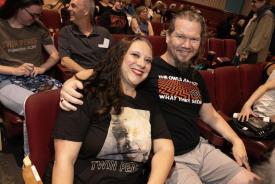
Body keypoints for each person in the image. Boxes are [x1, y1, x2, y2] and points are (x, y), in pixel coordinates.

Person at [59, 9, 259, 183]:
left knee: (253, 181)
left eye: (194, 39)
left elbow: (211, 116)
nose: (187, 45)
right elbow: (105, 70)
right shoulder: (146, 67)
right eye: (181, 36)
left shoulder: (196, 76)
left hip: (201, 148)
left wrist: (236, 140)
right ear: (168, 36)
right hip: (173, 160)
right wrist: (72, 81)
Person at [52, 37, 174, 183]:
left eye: (148, 60)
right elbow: (64, 160)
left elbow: (165, 149)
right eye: (135, 55)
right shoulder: (86, 93)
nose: (142, 64)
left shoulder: (148, 101)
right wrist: (76, 77)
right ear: (119, 56)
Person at [0, 0, 61, 154]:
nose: (36, 19)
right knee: (34, 106)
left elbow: (55, 55)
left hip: (37, 79)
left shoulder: (38, 26)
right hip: (6, 80)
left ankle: (59, 154)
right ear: (18, 8)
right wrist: (14, 70)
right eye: (33, 15)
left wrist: (43, 68)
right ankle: (35, 162)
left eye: (38, 15)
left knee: (65, 99)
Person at [58, 0, 111, 73]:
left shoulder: (104, 33)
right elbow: (65, 60)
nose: (69, 9)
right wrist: (87, 74)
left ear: (86, 11)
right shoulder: (66, 31)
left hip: (102, 77)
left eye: (73, 6)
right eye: (69, 6)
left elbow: (110, 58)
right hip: (79, 77)